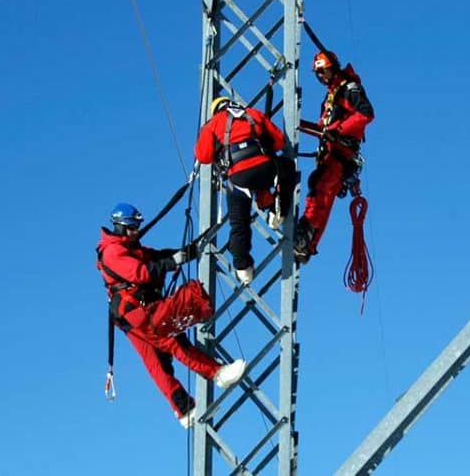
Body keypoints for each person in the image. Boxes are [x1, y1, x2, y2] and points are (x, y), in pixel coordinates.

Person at [96, 203, 246, 428]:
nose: (136, 231)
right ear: (119, 227)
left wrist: (182, 254)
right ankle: (217, 373)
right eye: (131, 227)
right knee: (173, 340)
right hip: (137, 314)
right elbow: (141, 272)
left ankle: (184, 409)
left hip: (132, 316)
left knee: (158, 362)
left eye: (137, 226)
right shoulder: (113, 252)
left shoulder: (127, 247)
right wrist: (172, 261)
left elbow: (154, 256)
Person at [195, 96, 297, 284]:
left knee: (239, 223)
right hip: (265, 169)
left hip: (239, 177)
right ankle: (278, 209)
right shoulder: (253, 114)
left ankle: (243, 267)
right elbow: (279, 142)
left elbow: (203, 156)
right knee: (287, 167)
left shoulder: (212, 124)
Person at [294, 50, 374, 264]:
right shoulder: (333, 93)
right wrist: (297, 124)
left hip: (342, 152)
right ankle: (307, 244)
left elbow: (366, 113)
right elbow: (324, 129)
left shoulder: (349, 89)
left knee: (320, 187)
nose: (321, 76)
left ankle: (305, 235)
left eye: (323, 71)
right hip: (333, 151)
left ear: (333, 67)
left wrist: (339, 130)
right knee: (321, 190)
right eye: (317, 74)